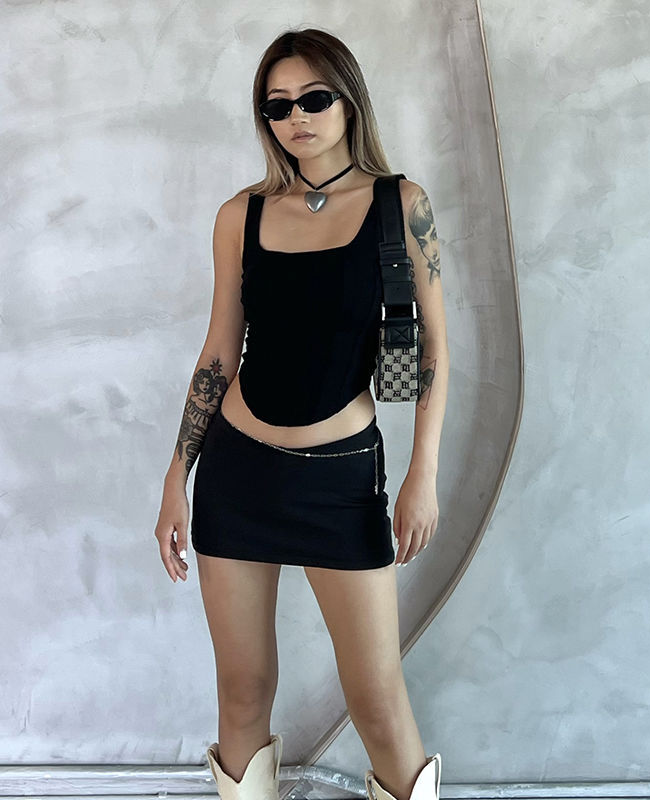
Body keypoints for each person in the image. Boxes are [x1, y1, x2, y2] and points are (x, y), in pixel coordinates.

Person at [154, 27, 449, 800]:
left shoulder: (400, 206)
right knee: (243, 690)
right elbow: (219, 353)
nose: (297, 117)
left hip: (341, 480)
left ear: (348, 101)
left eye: (314, 99)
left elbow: (430, 354)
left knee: (376, 699)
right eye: (277, 105)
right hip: (237, 474)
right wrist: (177, 475)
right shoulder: (241, 215)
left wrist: (422, 473)